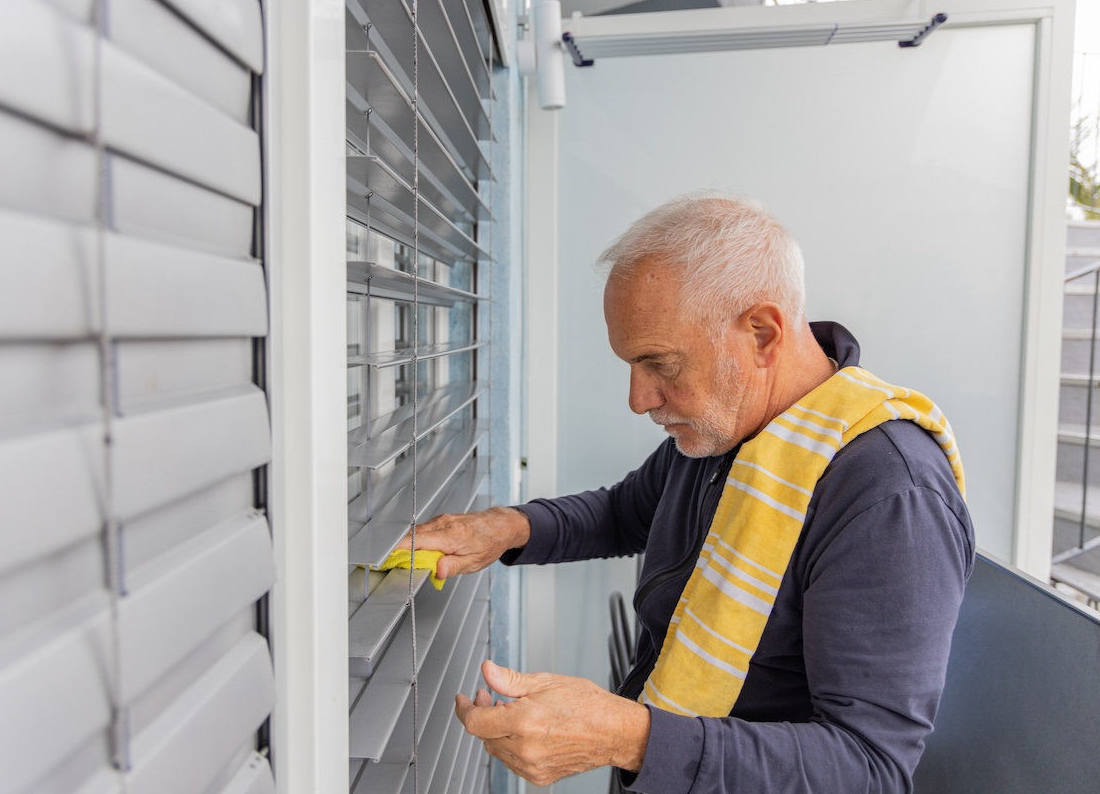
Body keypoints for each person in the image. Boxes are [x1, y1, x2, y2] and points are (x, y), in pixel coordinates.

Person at [409, 194, 974, 793]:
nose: (638, 398)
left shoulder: (890, 494)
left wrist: (629, 737)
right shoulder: (729, 426)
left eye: (661, 364)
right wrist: (506, 528)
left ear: (761, 333)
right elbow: (628, 511)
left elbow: (868, 771)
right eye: (630, 365)